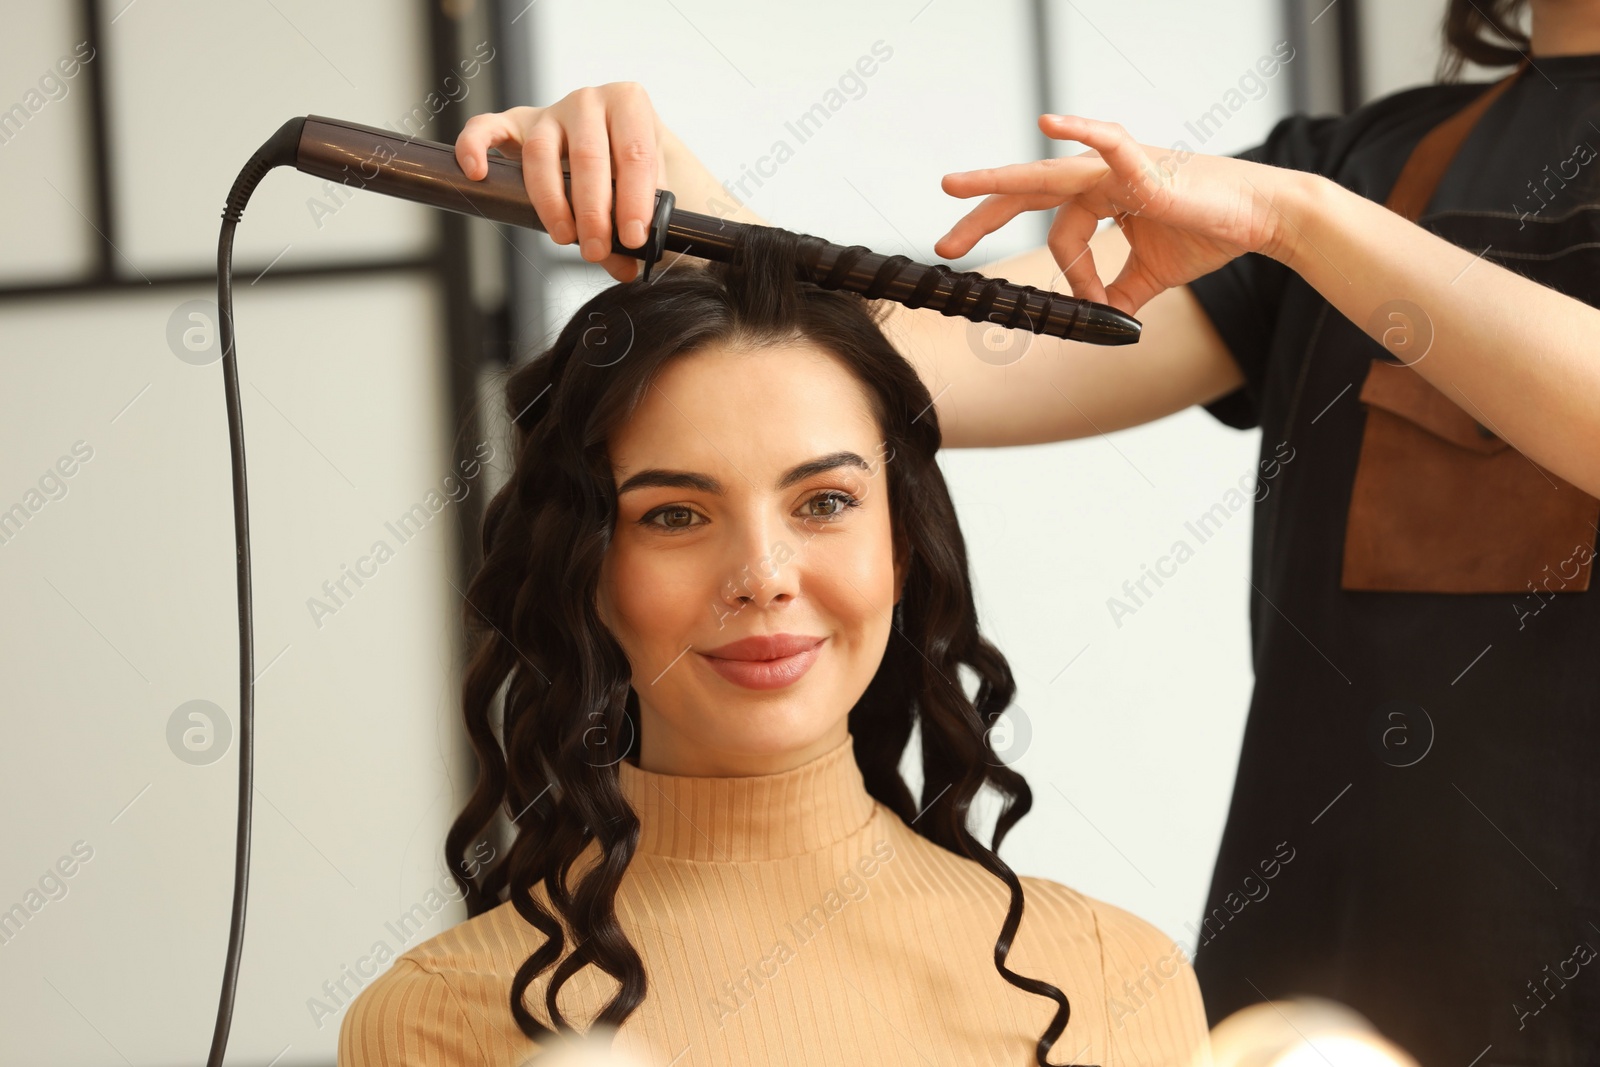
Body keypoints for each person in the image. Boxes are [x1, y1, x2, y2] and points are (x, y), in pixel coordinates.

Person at [448, 1, 1600, 1063]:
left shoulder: (1309, 207)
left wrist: (1298, 223)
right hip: (1309, 1020)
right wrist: (681, 204)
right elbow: (906, 371)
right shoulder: (1365, 170)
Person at [338, 225, 1212, 1066]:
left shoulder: (1111, 975)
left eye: (825, 502)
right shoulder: (438, 1018)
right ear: (589, 572)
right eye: (674, 514)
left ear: (901, 545)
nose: (762, 575)